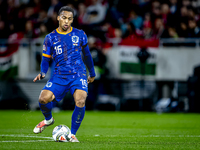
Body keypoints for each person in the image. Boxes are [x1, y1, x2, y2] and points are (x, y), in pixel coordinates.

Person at [32, 6, 96, 142]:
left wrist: (92, 72)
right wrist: (43, 72)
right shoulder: (50, 38)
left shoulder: (80, 34)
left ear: (72, 20)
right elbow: (45, 59)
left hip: (78, 74)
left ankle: (72, 134)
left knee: (80, 100)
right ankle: (48, 120)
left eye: (70, 19)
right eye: (64, 18)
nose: (67, 21)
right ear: (58, 18)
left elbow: (87, 55)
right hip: (59, 75)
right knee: (43, 99)